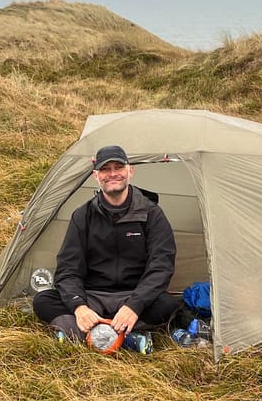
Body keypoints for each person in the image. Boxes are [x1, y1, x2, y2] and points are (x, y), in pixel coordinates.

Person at [32, 145, 178, 353]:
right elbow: (67, 269)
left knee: (166, 304)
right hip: (92, 296)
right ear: (96, 175)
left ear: (130, 171)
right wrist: (79, 307)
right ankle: (126, 336)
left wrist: (134, 306)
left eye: (118, 167)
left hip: (132, 295)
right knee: (43, 300)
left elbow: (161, 266)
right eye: (105, 169)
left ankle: (83, 333)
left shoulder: (151, 214)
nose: (112, 174)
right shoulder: (83, 216)